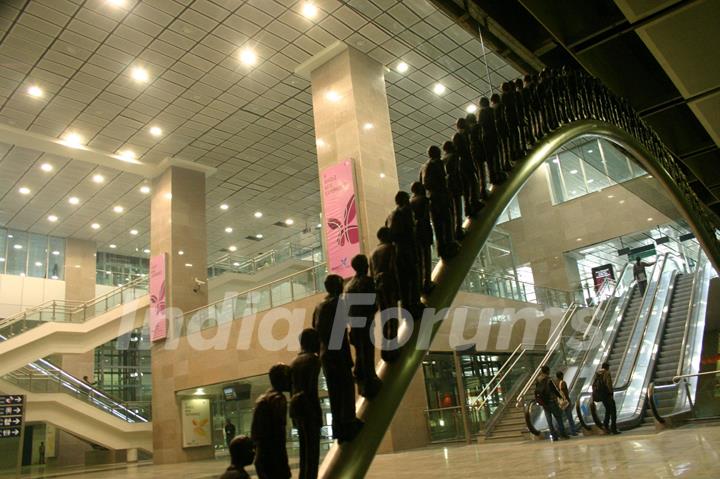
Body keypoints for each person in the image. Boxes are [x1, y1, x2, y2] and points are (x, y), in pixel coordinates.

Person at [313, 274, 363, 443]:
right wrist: (344, 356)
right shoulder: (338, 303)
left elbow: (316, 330)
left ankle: (339, 428)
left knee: (334, 394)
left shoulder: (319, 306)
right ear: (337, 286)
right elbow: (339, 333)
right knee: (346, 389)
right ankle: (348, 424)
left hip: (325, 354)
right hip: (337, 353)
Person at [344, 255, 382, 399]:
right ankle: (369, 379)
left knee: (360, 352)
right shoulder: (367, 281)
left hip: (354, 324)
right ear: (364, 266)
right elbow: (373, 304)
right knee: (367, 352)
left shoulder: (348, 286)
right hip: (366, 322)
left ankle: (361, 377)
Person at [290, 328, 322, 479]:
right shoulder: (313, 360)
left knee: (304, 451)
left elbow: (292, 391)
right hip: (309, 411)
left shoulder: (294, 362)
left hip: (298, 412)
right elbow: (312, 391)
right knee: (312, 451)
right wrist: (317, 414)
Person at [251, 364, 292, 479]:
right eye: (288, 377)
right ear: (282, 379)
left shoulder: (263, 398)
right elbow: (278, 435)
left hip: (263, 457)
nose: (291, 381)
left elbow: (255, 433)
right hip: (273, 458)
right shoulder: (278, 399)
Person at [370, 226, 401, 363]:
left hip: (378, 287)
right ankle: (392, 347)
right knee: (392, 317)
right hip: (389, 284)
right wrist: (399, 289)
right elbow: (394, 268)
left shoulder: (373, 253)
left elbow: (372, 274)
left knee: (384, 318)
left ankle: (385, 349)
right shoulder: (390, 248)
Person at [420, 145, 457, 259]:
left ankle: (440, 250)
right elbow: (443, 180)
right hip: (441, 196)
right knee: (447, 221)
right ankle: (449, 245)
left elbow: (422, 185)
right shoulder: (438, 163)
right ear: (437, 153)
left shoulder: (423, 167)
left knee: (437, 226)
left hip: (431, 199)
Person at [386, 191, 419, 309]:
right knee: (412, 277)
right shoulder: (406, 212)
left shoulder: (390, 215)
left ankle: (406, 306)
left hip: (397, 251)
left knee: (403, 281)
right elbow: (411, 232)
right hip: (406, 249)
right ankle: (414, 304)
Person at [409, 182, 433, 293]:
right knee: (427, 259)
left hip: (414, 236)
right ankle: (427, 282)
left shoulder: (409, 202)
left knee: (418, 261)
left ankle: (419, 285)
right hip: (424, 232)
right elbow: (425, 216)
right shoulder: (424, 200)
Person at [534, 365, 569, 440]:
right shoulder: (549, 380)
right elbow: (555, 390)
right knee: (558, 417)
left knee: (549, 421)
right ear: (547, 371)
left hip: (544, 403)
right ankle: (563, 434)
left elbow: (537, 390)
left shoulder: (538, 380)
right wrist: (560, 397)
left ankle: (554, 436)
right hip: (551, 401)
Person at [594, 362, 620, 434]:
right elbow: (609, 384)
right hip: (607, 394)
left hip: (601, 395)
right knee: (613, 411)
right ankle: (613, 428)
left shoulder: (597, 374)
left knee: (608, 410)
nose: (609, 368)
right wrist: (611, 393)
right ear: (606, 367)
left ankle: (605, 426)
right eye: (608, 367)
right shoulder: (607, 373)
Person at [554, 371, 578, 436]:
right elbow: (565, 393)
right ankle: (573, 431)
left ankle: (557, 431)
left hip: (559, 402)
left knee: (559, 417)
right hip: (565, 402)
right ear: (561, 376)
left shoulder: (555, 383)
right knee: (569, 416)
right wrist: (568, 400)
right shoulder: (563, 382)